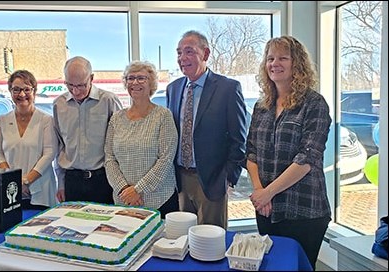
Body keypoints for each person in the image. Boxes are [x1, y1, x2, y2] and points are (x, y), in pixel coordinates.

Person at [246, 35, 332, 270]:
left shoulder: (314, 104)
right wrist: (259, 192)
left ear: (298, 64)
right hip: (266, 209)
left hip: (303, 209)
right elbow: (251, 152)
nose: (275, 63)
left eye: (283, 58)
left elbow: (307, 158)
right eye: (270, 58)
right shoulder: (261, 106)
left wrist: (268, 193)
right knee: (270, 266)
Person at [166, 30, 247, 229]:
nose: (182, 58)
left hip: (212, 180)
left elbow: (239, 138)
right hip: (180, 180)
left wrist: (228, 177)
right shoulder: (173, 88)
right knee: (183, 239)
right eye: (179, 53)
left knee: (211, 242)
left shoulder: (228, 88)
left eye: (189, 52)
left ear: (206, 54)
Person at [104, 61, 179, 219]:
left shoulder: (163, 116)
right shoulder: (116, 118)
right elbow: (109, 158)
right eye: (130, 78)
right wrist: (124, 189)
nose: (135, 82)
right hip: (124, 200)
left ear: (151, 83)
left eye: (141, 78)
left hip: (159, 200)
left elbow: (165, 159)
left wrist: (137, 190)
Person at [54, 56, 122, 204]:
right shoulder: (59, 105)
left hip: (103, 179)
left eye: (81, 85)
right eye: (70, 85)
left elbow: (119, 144)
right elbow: (59, 145)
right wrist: (60, 183)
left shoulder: (109, 101)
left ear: (91, 78)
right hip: (72, 180)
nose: (76, 91)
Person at [0, 69, 58, 210]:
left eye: (27, 89)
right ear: (10, 92)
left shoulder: (46, 120)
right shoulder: (2, 121)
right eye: (16, 89)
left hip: (42, 189)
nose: (22, 94)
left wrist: (26, 181)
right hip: (11, 190)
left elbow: (49, 154)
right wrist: (15, 182)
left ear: (34, 91)